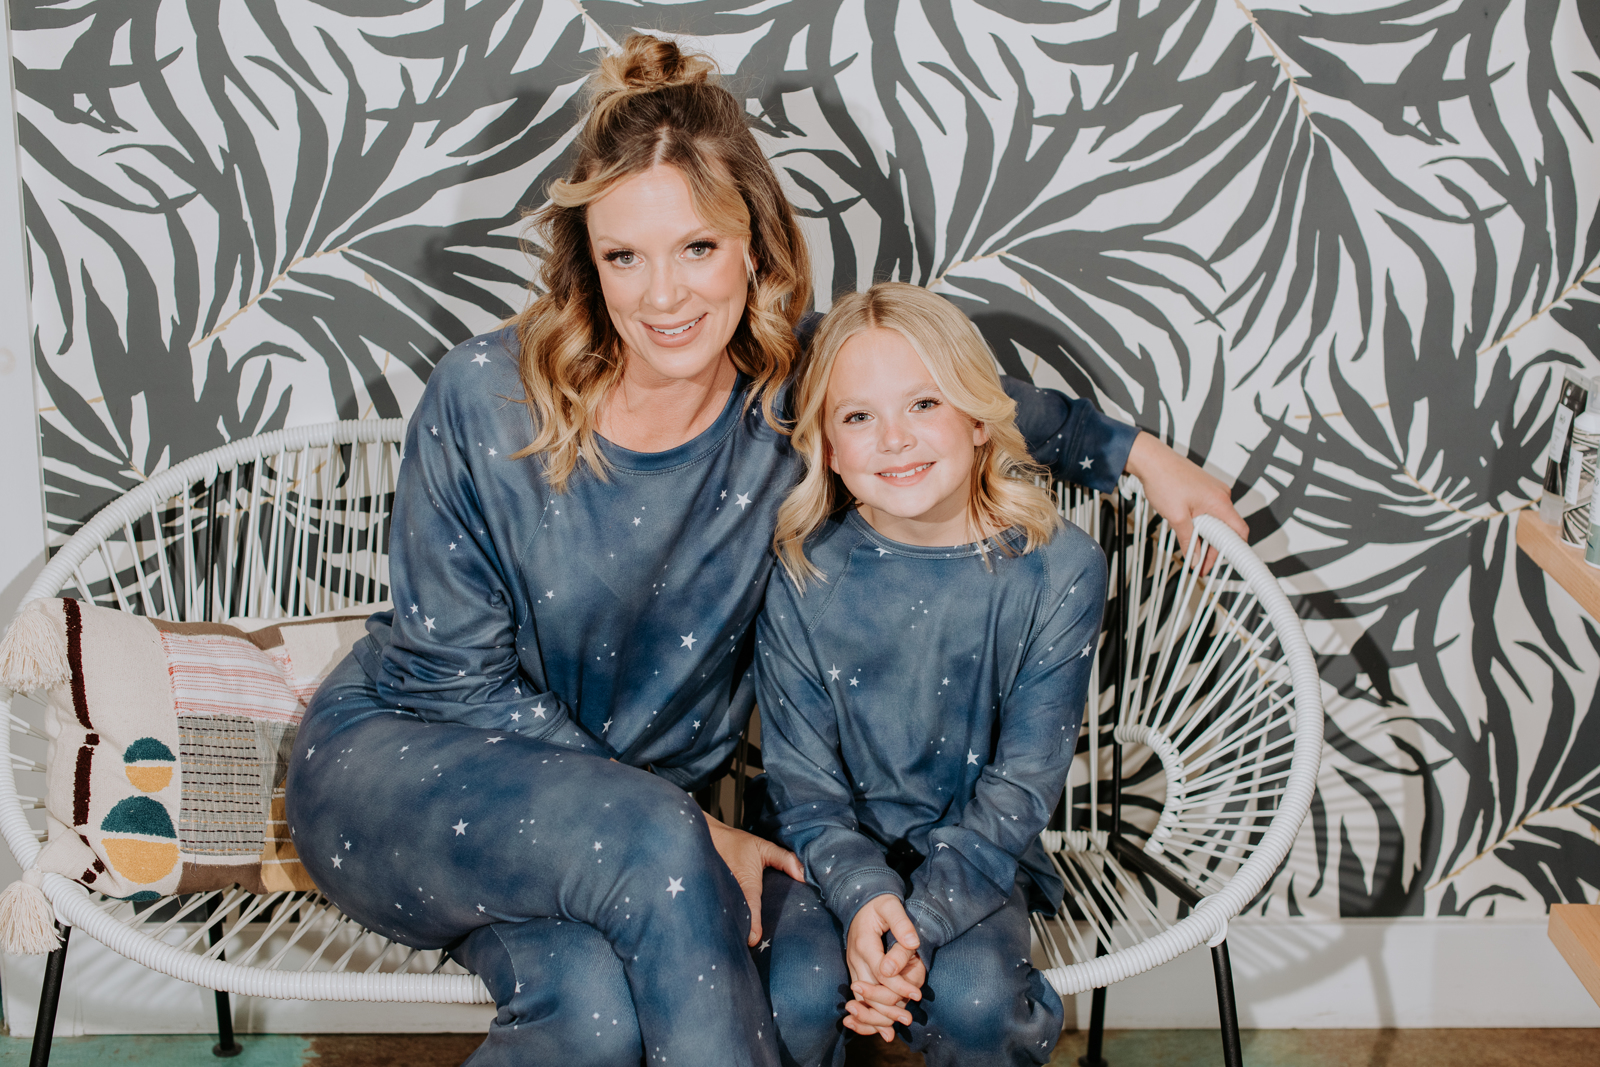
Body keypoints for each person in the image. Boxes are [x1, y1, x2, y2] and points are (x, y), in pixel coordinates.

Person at [283, 34, 1244, 1067]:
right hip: (405, 770)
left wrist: (1137, 455)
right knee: (649, 855)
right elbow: (453, 679)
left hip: (629, 843)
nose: (663, 297)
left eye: (697, 247)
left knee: (594, 1016)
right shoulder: (485, 397)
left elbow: (947, 388)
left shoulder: (793, 396)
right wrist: (680, 828)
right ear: (586, 263)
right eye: (624, 256)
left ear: (758, 245)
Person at [752, 283, 1104, 1066]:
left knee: (976, 1000)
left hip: (980, 861)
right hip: (827, 858)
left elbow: (1020, 787)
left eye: (923, 403)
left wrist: (924, 919)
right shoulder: (804, 573)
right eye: (858, 417)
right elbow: (805, 790)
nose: (894, 440)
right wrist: (863, 896)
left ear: (978, 418)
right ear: (830, 449)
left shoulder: (1059, 569)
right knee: (795, 991)